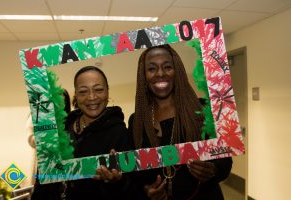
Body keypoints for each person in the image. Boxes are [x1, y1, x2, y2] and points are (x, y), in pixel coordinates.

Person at [128, 44, 232, 200]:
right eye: (151, 69)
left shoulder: (202, 110)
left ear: (177, 71)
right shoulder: (137, 121)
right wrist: (147, 190)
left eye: (167, 67)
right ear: (144, 76)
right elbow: (137, 173)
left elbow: (225, 162)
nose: (160, 74)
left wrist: (213, 170)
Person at [65, 66, 133, 200]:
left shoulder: (119, 132)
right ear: (76, 95)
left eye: (99, 90)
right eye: (83, 92)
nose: (91, 97)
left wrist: (117, 181)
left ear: (107, 92)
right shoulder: (63, 127)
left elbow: (131, 187)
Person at [29, 89, 71, 200]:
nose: (59, 105)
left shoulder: (71, 122)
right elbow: (31, 138)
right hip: (46, 170)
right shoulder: (41, 119)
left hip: (67, 172)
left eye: (63, 102)